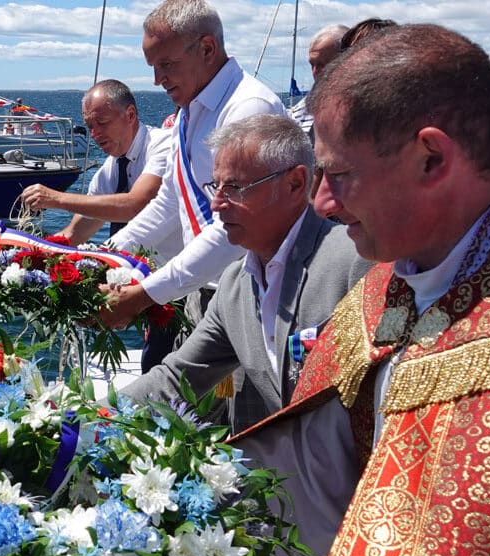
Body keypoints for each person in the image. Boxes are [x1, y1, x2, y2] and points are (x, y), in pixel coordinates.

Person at [236, 24, 490, 556]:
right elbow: (317, 476)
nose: (321, 202)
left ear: (431, 157)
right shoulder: (379, 291)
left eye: (339, 175)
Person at [121, 115, 370, 556]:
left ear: (297, 184)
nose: (217, 205)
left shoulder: (354, 262)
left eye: (234, 188)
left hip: (367, 528)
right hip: (302, 533)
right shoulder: (236, 285)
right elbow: (178, 378)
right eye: (214, 186)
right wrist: (85, 419)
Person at [99, 0, 285, 372]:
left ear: (206, 49)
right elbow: (170, 201)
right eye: (154, 67)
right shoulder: (191, 113)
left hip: (254, 300)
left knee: (244, 424)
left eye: (166, 65)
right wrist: (105, 254)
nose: (157, 80)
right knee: (196, 419)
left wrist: (144, 295)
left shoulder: (249, 109)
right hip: (207, 293)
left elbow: (232, 228)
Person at [20, 79, 171, 246]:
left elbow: (135, 206)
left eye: (102, 123)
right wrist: (27, 253)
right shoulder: (111, 168)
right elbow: (73, 234)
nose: (94, 134)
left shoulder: (163, 145)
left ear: (130, 115)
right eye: (90, 126)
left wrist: (55, 198)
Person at [288, 24, 347, 140]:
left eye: (322, 64)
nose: (315, 72)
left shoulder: (369, 112)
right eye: (312, 65)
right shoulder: (300, 113)